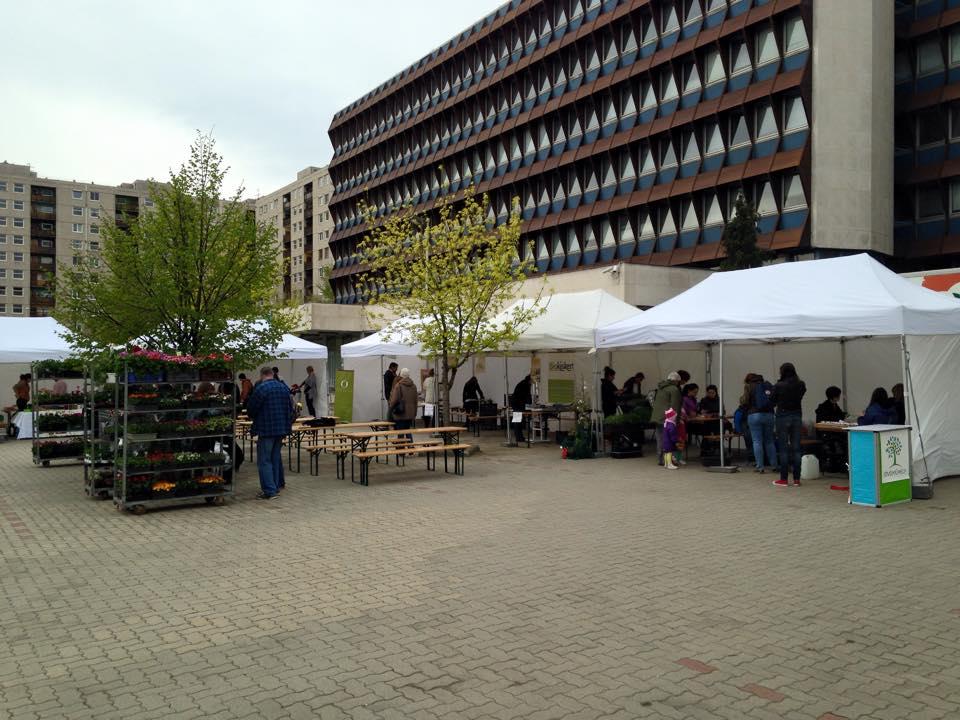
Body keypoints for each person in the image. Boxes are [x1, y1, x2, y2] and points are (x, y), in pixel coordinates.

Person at [246, 367, 295, 500]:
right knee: (275, 458)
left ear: (262, 375)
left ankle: (269, 491)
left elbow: (251, 408)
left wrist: (253, 416)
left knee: (264, 461)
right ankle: (275, 485)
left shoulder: (261, 388)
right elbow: (290, 409)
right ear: (272, 374)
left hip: (266, 428)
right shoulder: (283, 388)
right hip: (281, 428)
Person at [770, 362, 807, 487]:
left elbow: (772, 401)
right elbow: (801, 395)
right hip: (797, 415)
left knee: (783, 448)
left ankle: (784, 479)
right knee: (796, 448)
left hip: (782, 416)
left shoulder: (778, 385)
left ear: (782, 372)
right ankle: (797, 479)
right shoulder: (801, 384)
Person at [743, 373, 776, 474]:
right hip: (769, 415)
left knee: (757, 441)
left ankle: (760, 467)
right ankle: (774, 465)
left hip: (754, 415)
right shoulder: (767, 385)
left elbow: (745, 401)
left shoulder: (749, 386)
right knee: (769, 441)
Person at [650, 371, 682, 465]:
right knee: (668, 440)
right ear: (676, 381)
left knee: (660, 439)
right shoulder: (674, 389)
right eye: (678, 382)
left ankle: (660, 459)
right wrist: (676, 420)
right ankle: (667, 460)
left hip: (657, 417)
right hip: (667, 418)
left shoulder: (661, 388)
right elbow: (675, 406)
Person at [816, 386, 848, 473]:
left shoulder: (835, 405)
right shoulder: (823, 407)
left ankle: (843, 464)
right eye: (838, 395)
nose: (839, 397)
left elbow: (840, 415)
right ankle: (841, 465)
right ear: (834, 397)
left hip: (834, 432)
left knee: (846, 439)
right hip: (826, 433)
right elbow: (830, 419)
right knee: (843, 442)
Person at [388, 368, 418, 440]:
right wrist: (415, 413)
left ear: (401, 375)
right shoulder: (414, 386)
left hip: (401, 413)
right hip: (410, 413)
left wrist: (391, 407)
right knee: (408, 430)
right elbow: (416, 400)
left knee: (400, 432)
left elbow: (394, 400)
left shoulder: (398, 386)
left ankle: (401, 446)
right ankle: (410, 445)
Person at [510, 375, 532, 444]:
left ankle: (519, 437)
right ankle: (519, 438)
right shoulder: (526, 385)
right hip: (517, 404)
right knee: (517, 421)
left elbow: (526, 396)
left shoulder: (523, 383)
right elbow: (527, 396)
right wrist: (529, 407)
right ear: (530, 380)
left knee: (518, 421)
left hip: (516, 403)